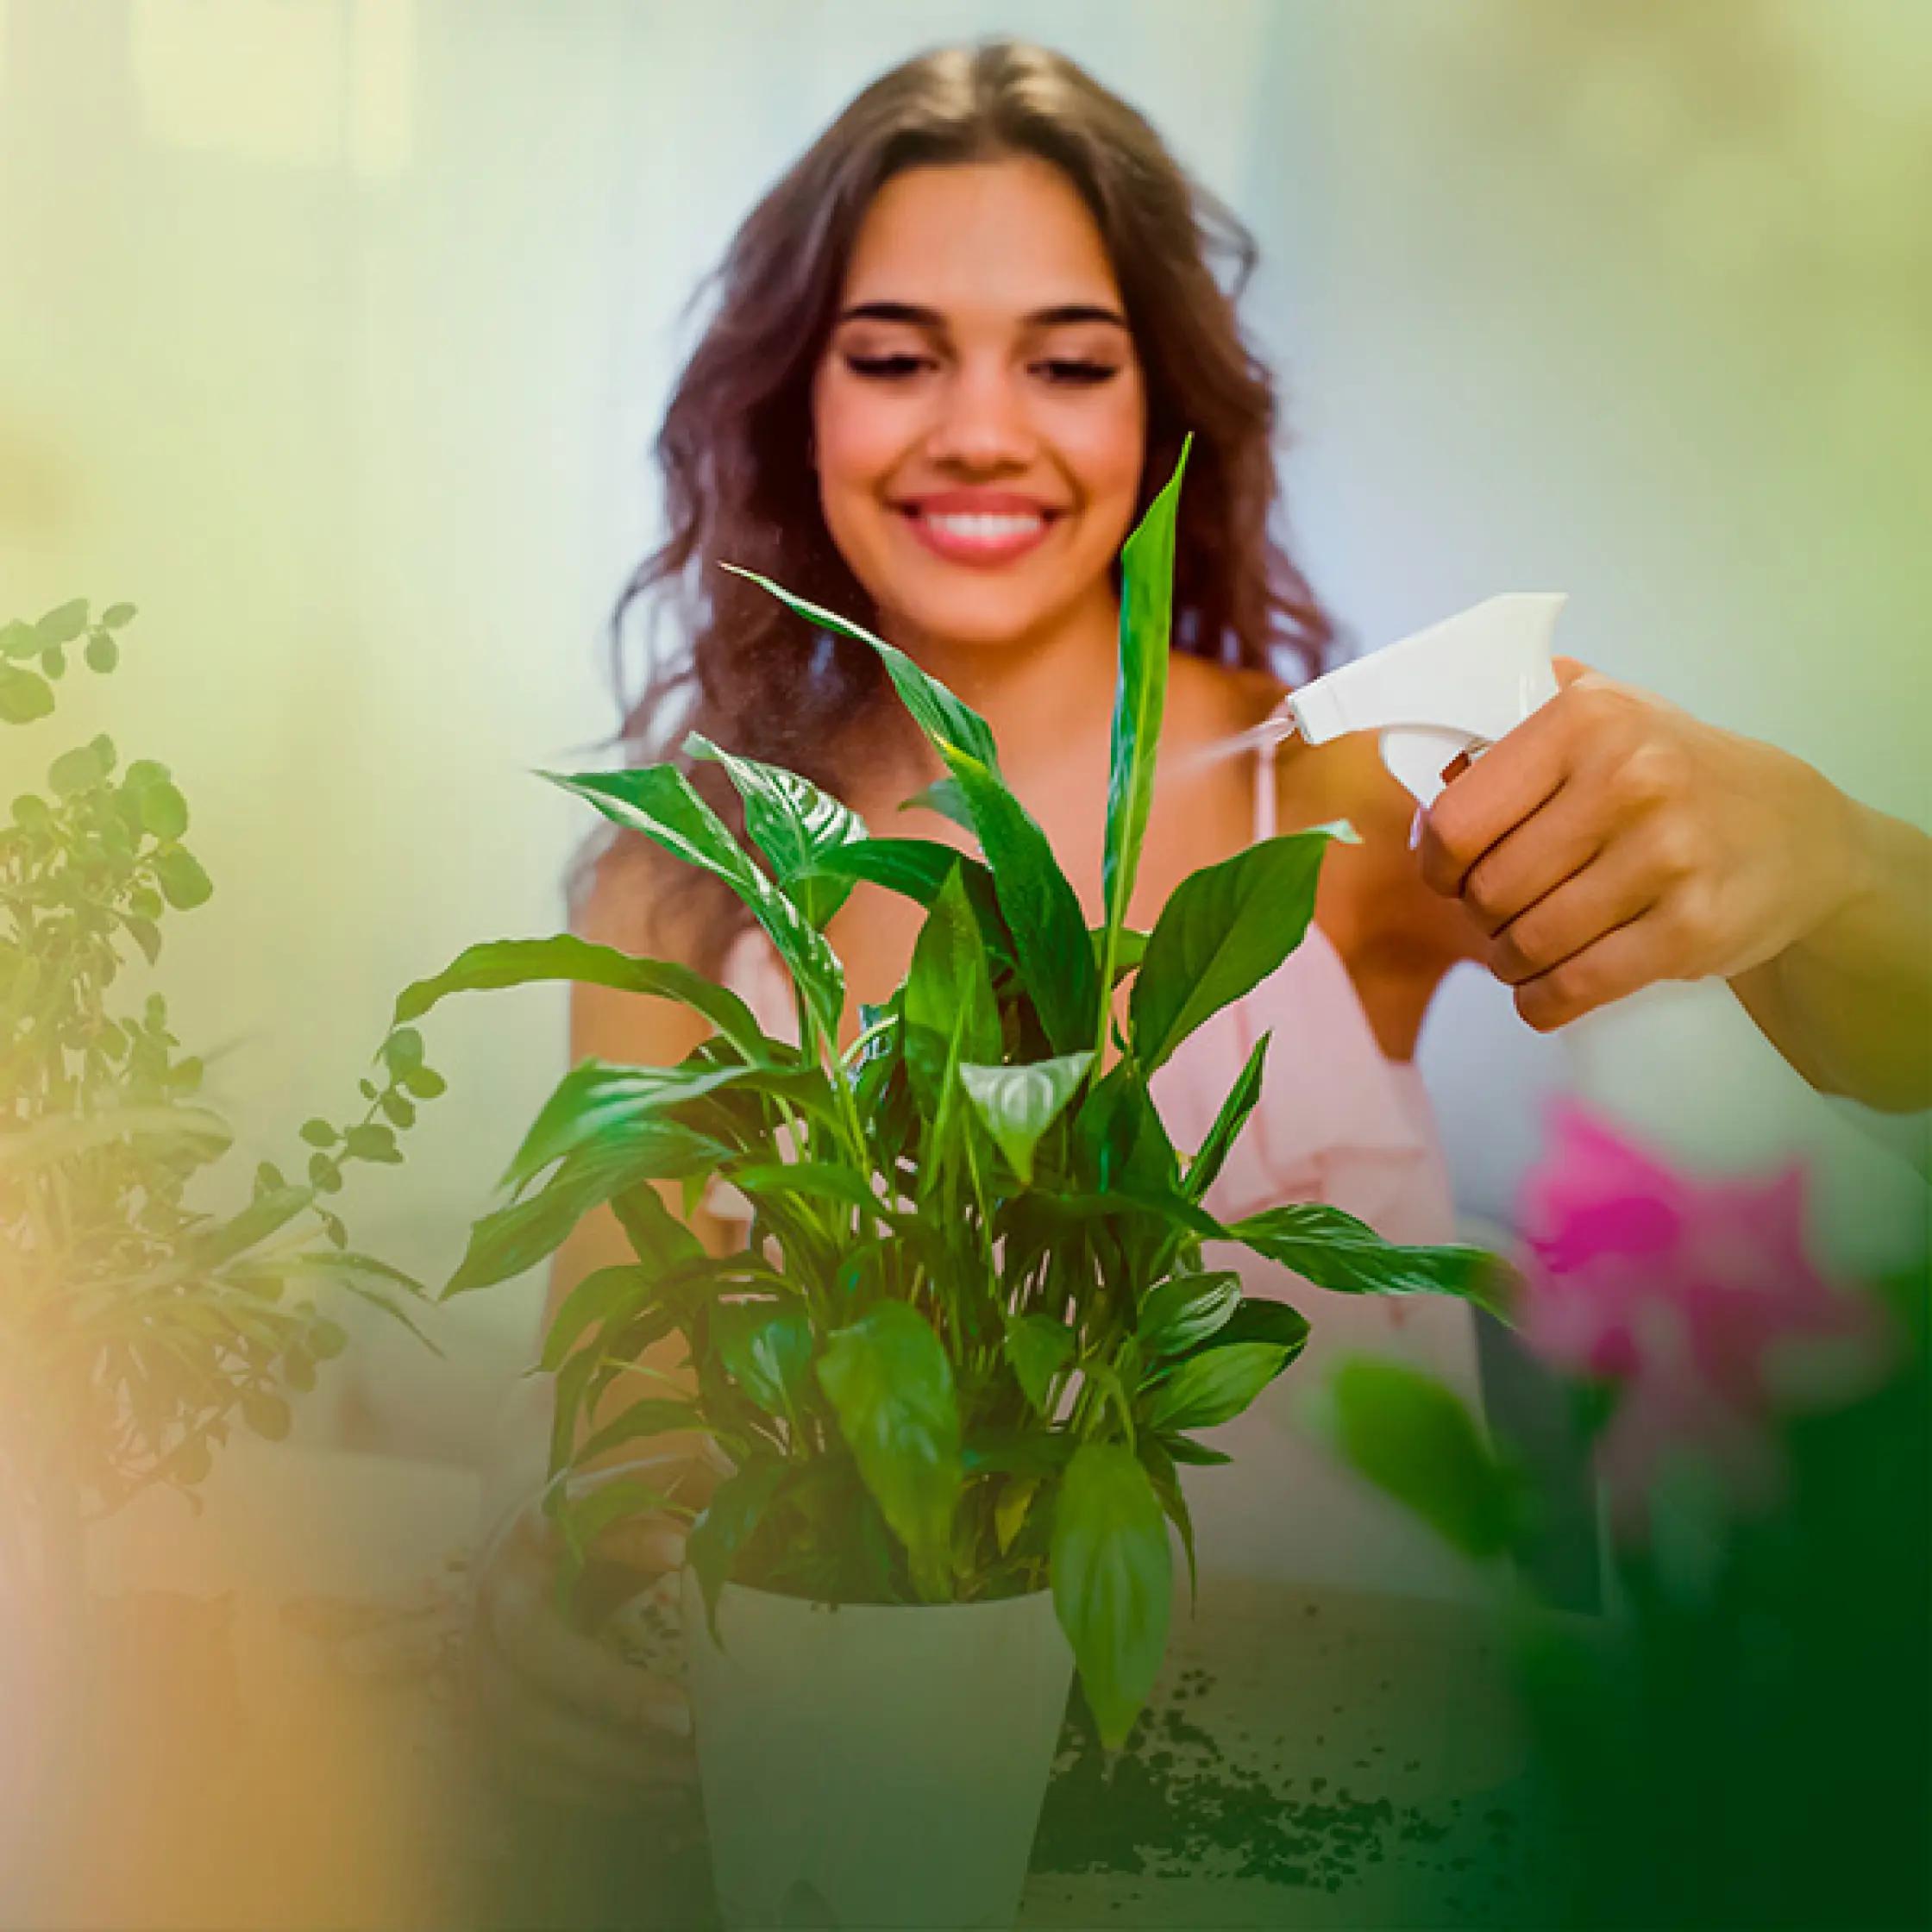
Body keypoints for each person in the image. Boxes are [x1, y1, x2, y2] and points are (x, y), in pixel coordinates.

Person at [471, 38, 1932, 1810]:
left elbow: (1887, 1037)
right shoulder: (682, 881)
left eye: (1066, 363)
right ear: (798, 402)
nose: (980, 430)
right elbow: (626, 1471)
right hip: (877, 1816)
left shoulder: (1338, 797)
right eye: (894, 357)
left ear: (1158, 411)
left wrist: (1828, 855)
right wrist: (575, 1614)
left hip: (1372, 1821)